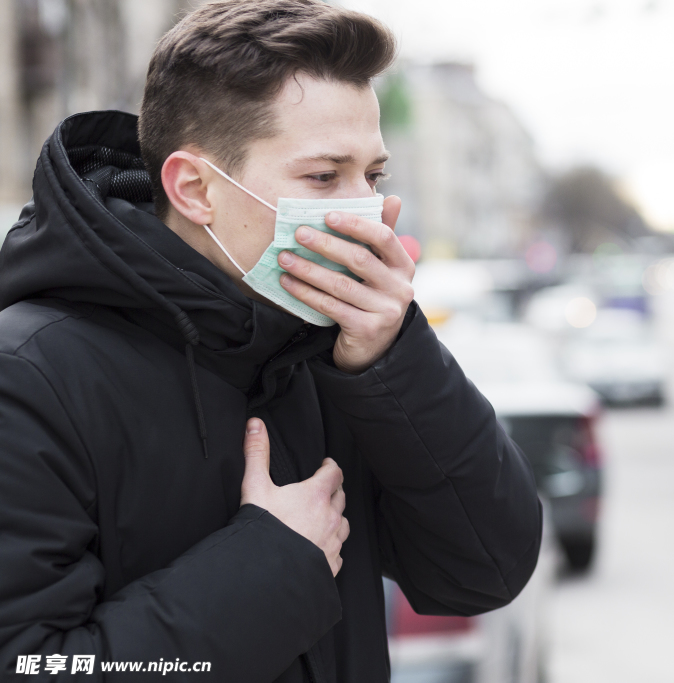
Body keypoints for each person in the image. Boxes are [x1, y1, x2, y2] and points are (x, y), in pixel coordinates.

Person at [0, 1, 542, 681]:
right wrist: (273, 564)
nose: (364, 210)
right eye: (323, 176)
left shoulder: (333, 351)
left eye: (373, 177)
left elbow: (486, 569)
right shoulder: (27, 374)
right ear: (195, 188)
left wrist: (394, 357)